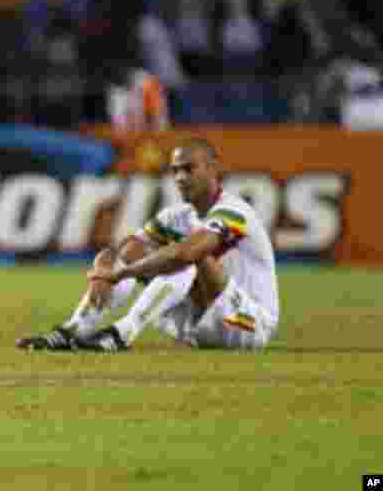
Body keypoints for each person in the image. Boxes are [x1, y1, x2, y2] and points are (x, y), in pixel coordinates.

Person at [16, 138, 278, 352]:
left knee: (182, 256)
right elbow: (128, 251)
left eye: (189, 168)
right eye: (175, 170)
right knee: (132, 257)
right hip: (201, 324)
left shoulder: (234, 211)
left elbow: (187, 254)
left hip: (247, 324)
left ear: (212, 168)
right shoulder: (176, 216)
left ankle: (122, 333)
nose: (180, 177)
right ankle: (72, 331)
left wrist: (121, 273)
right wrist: (106, 269)